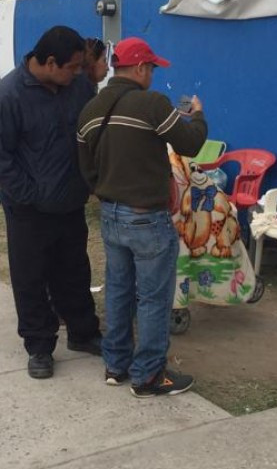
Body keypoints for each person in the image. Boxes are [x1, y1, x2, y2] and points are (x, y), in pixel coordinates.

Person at [77, 37, 207, 398]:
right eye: (151, 68)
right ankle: (148, 375)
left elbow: (85, 167)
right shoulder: (152, 104)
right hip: (146, 218)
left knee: (119, 290)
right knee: (152, 297)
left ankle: (116, 364)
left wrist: (105, 191)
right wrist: (197, 115)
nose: (152, 74)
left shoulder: (90, 109)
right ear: (139, 68)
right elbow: (190, 144)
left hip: (111, 215)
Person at [0, 25, 102, 379]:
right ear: (51, 63)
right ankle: (39, 346)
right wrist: (30, 195)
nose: (80, 72)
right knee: (30, 278)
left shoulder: (78, 87)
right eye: (74, 66)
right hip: (28, 211)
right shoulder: (8, 96)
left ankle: (83, 332)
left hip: (70, 202)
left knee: (75, 271)